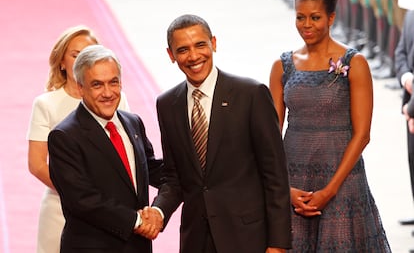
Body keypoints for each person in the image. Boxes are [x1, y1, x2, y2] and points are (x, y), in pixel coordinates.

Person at [144, 14, 292, 253]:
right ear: (171, 55)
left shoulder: (251, 94)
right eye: (183, 49)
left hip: (248, 238)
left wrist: (278, 244)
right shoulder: (167, 104)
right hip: (196, 240)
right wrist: (159, 211)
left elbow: (275, 174)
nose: (193, 56)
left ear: (213, 43)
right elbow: (174, 176)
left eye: (200, 45)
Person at [268, 0, 390, 251]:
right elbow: (270, 136)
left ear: (331, 17)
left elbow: (362, 135)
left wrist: (330, 190)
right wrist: (284, 189)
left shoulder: (353, 63)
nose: (306, 25)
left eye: (315, 17)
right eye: (300, 17)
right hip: (294, 182)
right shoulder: (282, 65)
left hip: (342, 181)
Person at [47, 44, 164, 252]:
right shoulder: (64, 136)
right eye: (97, 85)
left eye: (114, 82)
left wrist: (160, 209)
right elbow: (82, 200)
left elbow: (152, 170)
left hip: (137, 247)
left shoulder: (133, 122)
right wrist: (138, 221)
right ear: (81, 88)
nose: (108, 93)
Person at [26, 25, 130, 253]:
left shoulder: (117, 100)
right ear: (61, 62)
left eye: (90, 53)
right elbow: (37, 164)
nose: (84, 59)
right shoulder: (46, 103)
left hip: (112, 209)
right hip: (60, 210)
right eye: (76, 54)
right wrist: (78, 195)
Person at [395, 9, 414, 227]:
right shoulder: (410, 14)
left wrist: (411, 109)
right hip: (411, 101)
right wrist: (406, 77)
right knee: (412, 160)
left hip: (412, 106)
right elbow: (400, 51)